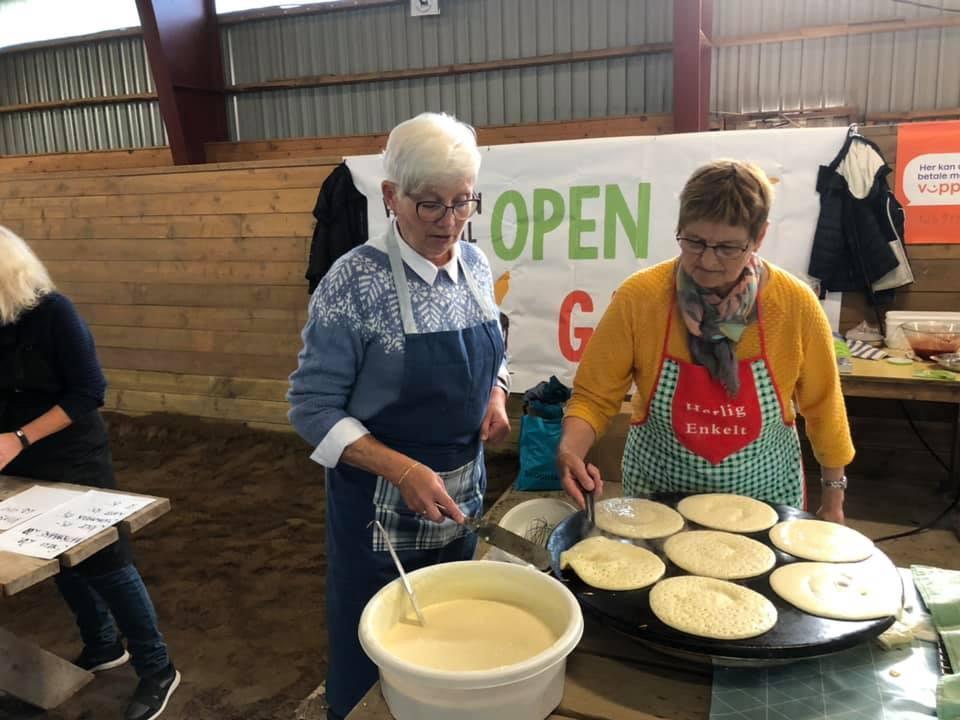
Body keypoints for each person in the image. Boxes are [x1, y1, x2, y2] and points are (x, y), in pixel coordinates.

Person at [288, 112, 510, 720]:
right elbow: (311, 407)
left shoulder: (475, 265)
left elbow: (497, 351)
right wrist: (401, 469)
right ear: (391, 196)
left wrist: (495, 392)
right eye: (429, 204)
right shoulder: (354, 282)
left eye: (462, 203)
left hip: (461, 491)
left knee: (451, 628)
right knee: (379, 639)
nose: (448, 222)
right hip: (379, 509)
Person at [557, 160, 854, 522]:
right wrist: (571, 450)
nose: (708, 261)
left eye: (728, 247)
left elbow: (825, 408)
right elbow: (593, 396)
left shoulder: (794, 304)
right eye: (694, 242)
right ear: (679, 228)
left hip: (765, 502)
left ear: (759, 237)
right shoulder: (641, 297)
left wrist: (833, 500)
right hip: (659, 499)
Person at [0, 226, 180, 720]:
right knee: (53, 555)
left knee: (105, 561)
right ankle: (102, 645)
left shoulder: (54, 313)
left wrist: (19, 437)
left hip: (71, 454)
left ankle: (158, 667)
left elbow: (89, 392)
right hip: (20, 456)